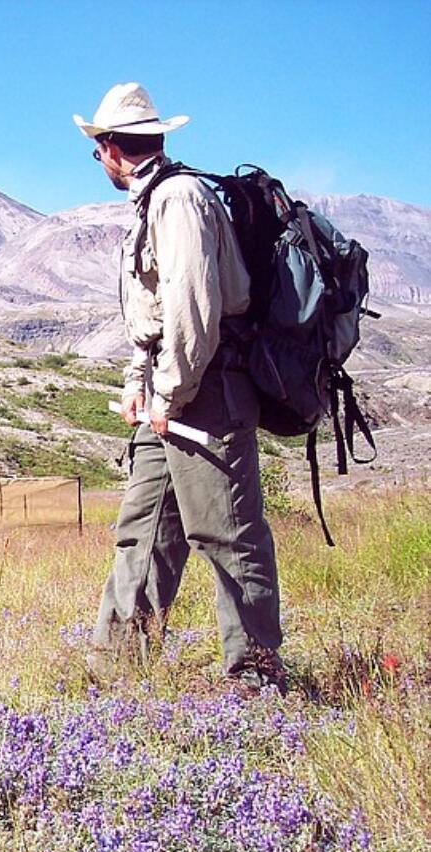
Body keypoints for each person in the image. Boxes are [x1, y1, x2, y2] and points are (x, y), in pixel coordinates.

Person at [72, 82, 286, 694]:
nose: (100, 163)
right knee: (143, 533)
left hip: (206, 392)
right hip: (171, 393)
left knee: (227, 533)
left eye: (97, 152)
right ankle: (117, 674)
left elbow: (194, 310)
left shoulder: (178, 200)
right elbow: (154, 315)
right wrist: (142, 385)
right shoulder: (154, 202)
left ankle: (257, 682)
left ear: (112, 148)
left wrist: (168, 395)